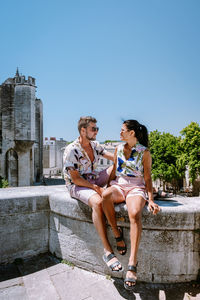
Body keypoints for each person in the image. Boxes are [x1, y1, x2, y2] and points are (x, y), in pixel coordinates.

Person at [102, 119, 160, 290]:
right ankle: (116, 233)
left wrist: (150, 199)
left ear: (132, 133)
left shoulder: (145, 152)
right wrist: (106, 187)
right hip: (119, 185)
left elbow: (148, 177)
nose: (120, 133)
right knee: (105, 196)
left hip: (136, 187)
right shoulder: (118, 149)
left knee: (134, 213)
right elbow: (114, 170)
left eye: (122, 130)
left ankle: (132, 262)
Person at [63, 116, 125, 272]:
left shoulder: (95, 145)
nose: (97, 131)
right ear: (83, 130)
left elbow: (115, 158)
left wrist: (127, 155)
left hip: (94, 179)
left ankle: (134, 190)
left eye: (97, 128)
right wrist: (97, 189)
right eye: (93, 129)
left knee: (117, 166)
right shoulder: (71, 150)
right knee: (98, 202)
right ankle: (108, 250)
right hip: (77, 185)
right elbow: (76, 179)